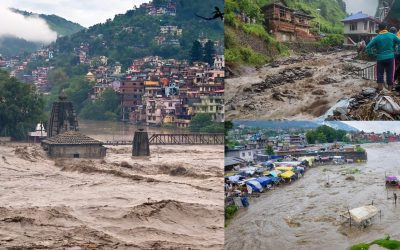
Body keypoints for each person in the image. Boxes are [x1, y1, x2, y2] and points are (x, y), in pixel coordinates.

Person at [366, 23, 400, 91]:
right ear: (386, 27)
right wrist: (397, 51)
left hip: (380, 58)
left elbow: (368, 47)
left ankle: (380, 89)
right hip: (390, 58)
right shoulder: (392, 35)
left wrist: (372, 54)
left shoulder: (377, 37)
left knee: (379, 73)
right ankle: (389, 90)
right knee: (390, 73)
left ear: (379, 28)